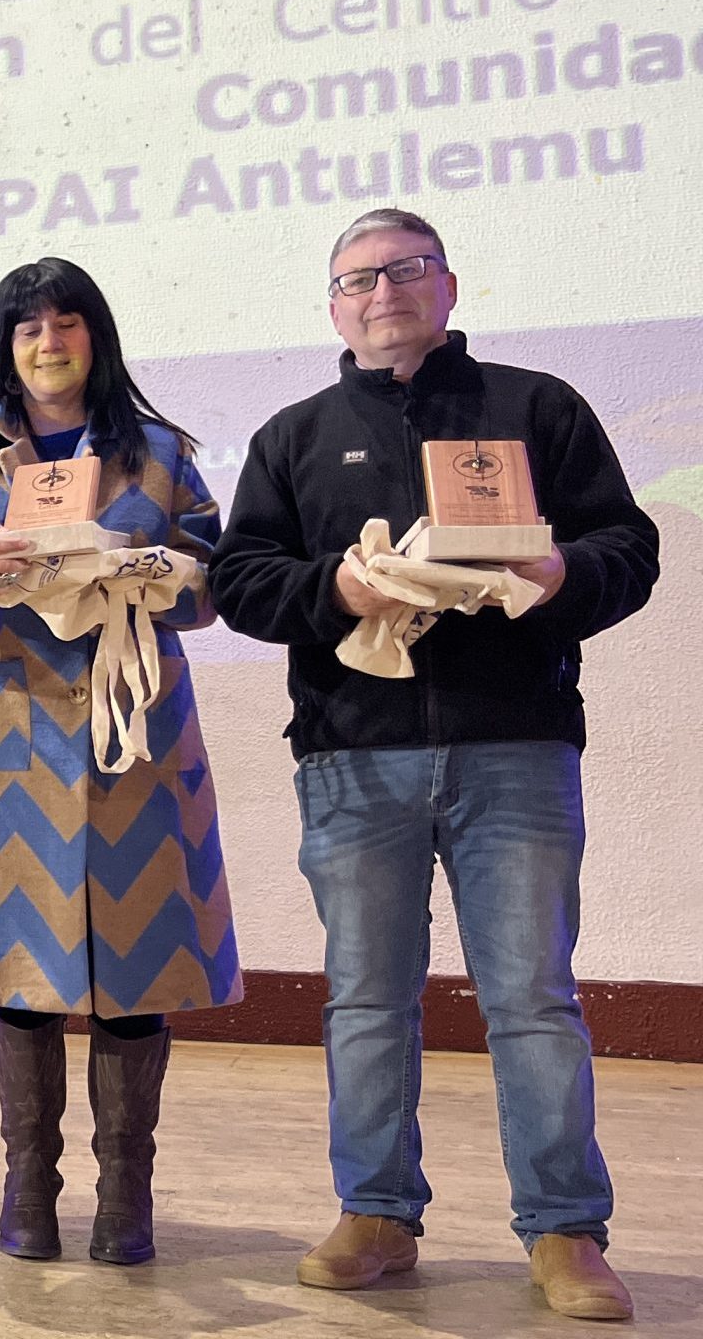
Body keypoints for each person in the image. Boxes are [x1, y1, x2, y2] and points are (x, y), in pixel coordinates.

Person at [211, 208, 657, 1321]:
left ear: (447, 286)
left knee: (533, 999)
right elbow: (241, 580)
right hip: (352, 757)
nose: (382, 292)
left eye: (404, 270)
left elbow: (627, 547)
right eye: (356, 279)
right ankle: (374, 1210)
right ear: (333, 308)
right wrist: (338, 588)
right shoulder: (292, 436)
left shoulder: (535, 407)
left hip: (516, 746)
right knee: (366, 1000)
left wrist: (558, 572)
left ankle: (563, 1229)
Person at [0, 258, 242, 1265]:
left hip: (131, 734)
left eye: (65, 323)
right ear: (3, 347)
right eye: (27, 329)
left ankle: (125, 1194)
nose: (47, 343)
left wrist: (142, 572)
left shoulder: (160, 453)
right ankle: (30, 1186)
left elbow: (212, 576)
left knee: (136, 969)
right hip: (3, 737)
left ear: (95, 336)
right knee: (18, 965)